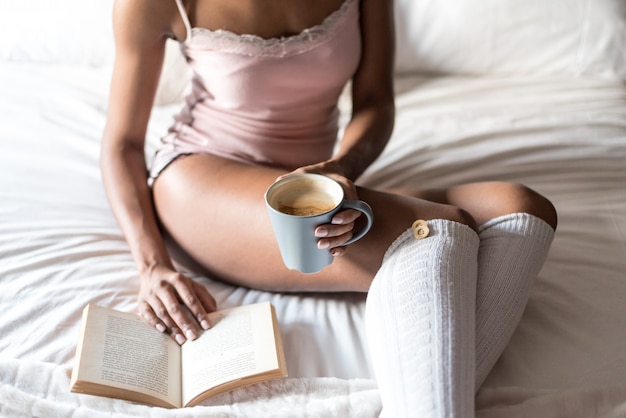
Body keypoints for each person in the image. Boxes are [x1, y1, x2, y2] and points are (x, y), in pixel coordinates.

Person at [101, 0, 558, 416]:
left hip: (321, 181)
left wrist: (342, 166)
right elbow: (121, 145)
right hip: (202, 181)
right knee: (440, 232)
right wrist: (152, 266)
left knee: (521, 209)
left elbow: (376, 102)